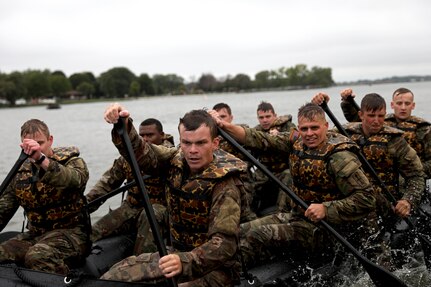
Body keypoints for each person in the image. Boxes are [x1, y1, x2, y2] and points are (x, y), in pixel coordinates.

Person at [211, 103, 377, 268]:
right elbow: (257, 138)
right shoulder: (296, 142)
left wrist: (326, 209)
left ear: (326, 126)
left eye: (314, 128)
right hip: (298, 216)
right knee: (238, 231)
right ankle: (210, 263)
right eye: (304, 129)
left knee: (259, 234)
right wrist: (223, 125)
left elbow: (367, 199)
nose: (309, 134)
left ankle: (227, 271)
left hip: (329, 231)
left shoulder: (340, 157)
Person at [101, 104, 246, 286]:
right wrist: (123, 125)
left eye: (200, 143)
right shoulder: (175, 160)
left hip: (216, 268)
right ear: (180, 142)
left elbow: (224, 244)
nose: (192, 150)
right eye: (186, 143)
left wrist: (184, 261)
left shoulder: (225, 183)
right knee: (116, 274)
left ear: (215, 144)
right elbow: (143, 153)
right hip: (176, 253)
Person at [313, 92, 426, 266]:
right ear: (361, 115)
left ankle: (381, 260)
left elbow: (416, 175)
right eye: (371, 116)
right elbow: (316, 133)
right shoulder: (345, 133)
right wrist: (317, 107)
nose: (376, 121)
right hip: (348, 197)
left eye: (381, 116)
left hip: (383, 202)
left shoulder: (395, 142)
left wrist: (407, 201)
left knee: (367, 200)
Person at [0, 119, 90, 275]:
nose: (35, 149)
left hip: (72, 234)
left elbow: (75, 180)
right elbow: (3, 210)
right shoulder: (19, 173)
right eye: (29, 145)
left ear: (50, 140)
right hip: (36, 234)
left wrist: (41, 160)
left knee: (38, 256)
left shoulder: (73, 162)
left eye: (40, 143)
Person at [86, 118, 174, 255]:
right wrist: (83, 207)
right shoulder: (127, 159)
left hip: (159, 210)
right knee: (93, 233)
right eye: (142, 136)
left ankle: (141, 263)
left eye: (150, 135)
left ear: (161, 135)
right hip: (132, 207)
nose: (145, 139)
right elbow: (106, 184)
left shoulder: (171, 157)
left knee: (151, 214)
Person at [340, 87, 431, 180]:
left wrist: (412, 170)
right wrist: (347, 102)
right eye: (399, 103)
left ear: (413, 105)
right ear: (392, 105)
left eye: (407, 103)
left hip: (411, 172)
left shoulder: (423, 128)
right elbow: (358, 121)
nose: (403, 107)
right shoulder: (380, 120)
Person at [212, 103, 256, 223]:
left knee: (242, 209)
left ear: (231, 118)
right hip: (218, 181)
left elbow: (249, 136)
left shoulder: (240, 131)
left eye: (223, 117)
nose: (219, 120)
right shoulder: (209, 138)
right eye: (216, 117)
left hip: (242, 181)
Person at [252, 101, 297, 215]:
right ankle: (250, 214)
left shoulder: (286, 126)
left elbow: (297, 139)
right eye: (261, 117)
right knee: (248, 183)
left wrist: (280, 136)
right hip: (265, 171)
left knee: (288, 175)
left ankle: (282, 212)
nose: (265, 120)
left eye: (268, 116)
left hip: (284, 169)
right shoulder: (256, 132)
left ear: (275, 116)